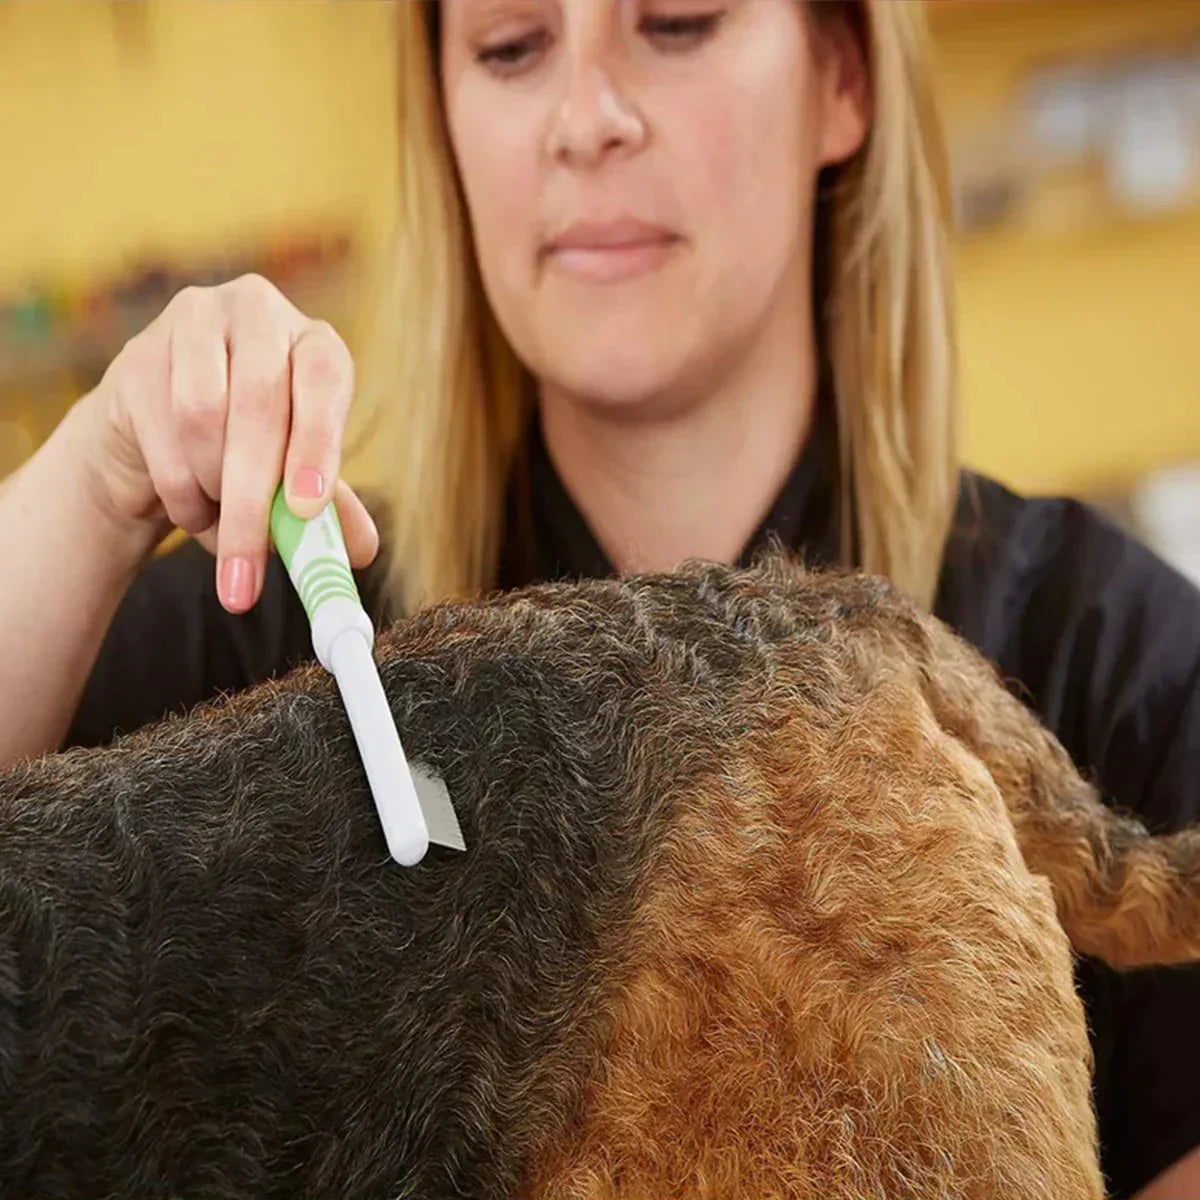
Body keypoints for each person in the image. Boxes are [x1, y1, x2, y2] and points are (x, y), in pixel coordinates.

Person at [1, 1, 1197, 1195]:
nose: (585, 120)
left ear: (843, 78)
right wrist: (95, 481)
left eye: (675, 23)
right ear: (448, 129)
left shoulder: (1109, 653)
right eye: (512, 49)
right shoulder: (270, 628)